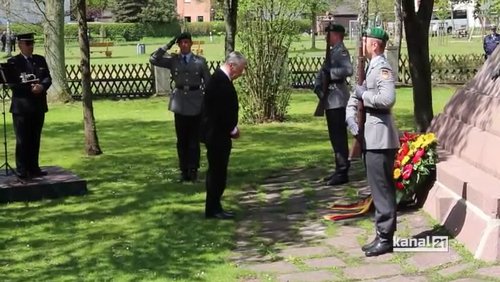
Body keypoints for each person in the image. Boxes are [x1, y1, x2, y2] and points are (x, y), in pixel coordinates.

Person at [345, 27, 400, 257]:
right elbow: (355, 98)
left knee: (382, 190)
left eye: (365, 40)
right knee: (377, 189)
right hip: (370, 137)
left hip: (381, 139)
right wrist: (351, 119)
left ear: (375, 45)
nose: (363, 43)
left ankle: (386, 237)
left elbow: (388, 99)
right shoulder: (371, 67)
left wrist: (363, 95)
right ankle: (381, 234)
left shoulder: (383, 68)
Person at [150, 32, 211, 182]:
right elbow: (153, 59)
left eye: (186, 42)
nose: (184, 45)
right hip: (179, 104)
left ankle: (193, 169)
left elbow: (208, 82)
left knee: (194, 140)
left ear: (191, 44)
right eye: (181, 42)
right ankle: (183, 170)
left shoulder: (200, 61)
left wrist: (209, 103)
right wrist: (168, 44)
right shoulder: (173, 60)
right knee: (182, 139)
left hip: (196, 101)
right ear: (178, 45)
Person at [201, 51, 246, 220]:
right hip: (217, 134)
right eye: (241, 69)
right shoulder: (220, 82)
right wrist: (232, 129)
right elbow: (220, 112)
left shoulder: (221, 79)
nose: (242, 73)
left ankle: (215, 205)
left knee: (219, 172)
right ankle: (213, 209)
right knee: (217, 172)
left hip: (218, 133)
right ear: (232, 66)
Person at [313, 23, 353, 186]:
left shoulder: (341, 51)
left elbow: (348, 70)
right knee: (334, 137)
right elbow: (323, 72)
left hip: (337, 99)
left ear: (336, 35)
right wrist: (318, 87)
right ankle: (339, 168)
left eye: (328, 34)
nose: (325, 37)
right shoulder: (332, 52)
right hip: (330, 99)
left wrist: (331, 73)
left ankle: (342, 171)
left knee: (338, 137)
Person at [8, 33, 52, 180]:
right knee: (22, 139)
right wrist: (30, 89)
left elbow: (47, 78)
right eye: (27, 44)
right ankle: (22, 169)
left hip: (38, 105)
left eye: (32, 43)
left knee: (35, 137)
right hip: (21, 107)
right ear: (20, 45)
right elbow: (13, 84)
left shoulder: (39, 60)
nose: (31, 46)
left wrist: (42, 87)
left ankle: (34, 167)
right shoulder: (13, 62)